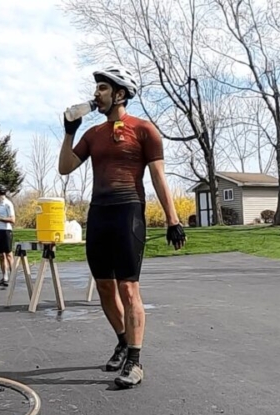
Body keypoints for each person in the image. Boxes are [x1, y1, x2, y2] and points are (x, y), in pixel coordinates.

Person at [57, 65, 187, 389]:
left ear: (119, 93)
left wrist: (173, 220)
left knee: (129, 289)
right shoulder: (93, 135)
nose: (96, 94)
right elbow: (64, 167)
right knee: (104, 287)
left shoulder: (144, 130)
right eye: (97, 88)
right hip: (98, 214)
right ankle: (122, 340)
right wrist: (69, 131)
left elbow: (158, 176)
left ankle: (135, 361)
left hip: (128, 212)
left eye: (102, 88)